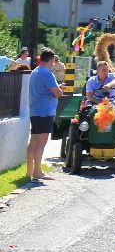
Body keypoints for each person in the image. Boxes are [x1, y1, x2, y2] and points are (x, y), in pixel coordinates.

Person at [27, 48, 61, 181]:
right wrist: (60, 90)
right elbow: (57, 93)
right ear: (51, 60)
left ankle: (30, 170)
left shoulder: (35, 71)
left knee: (34, 140)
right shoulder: (47, 73)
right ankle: (38, 171)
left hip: (35, 110)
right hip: (44, 111)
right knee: (42, 141)